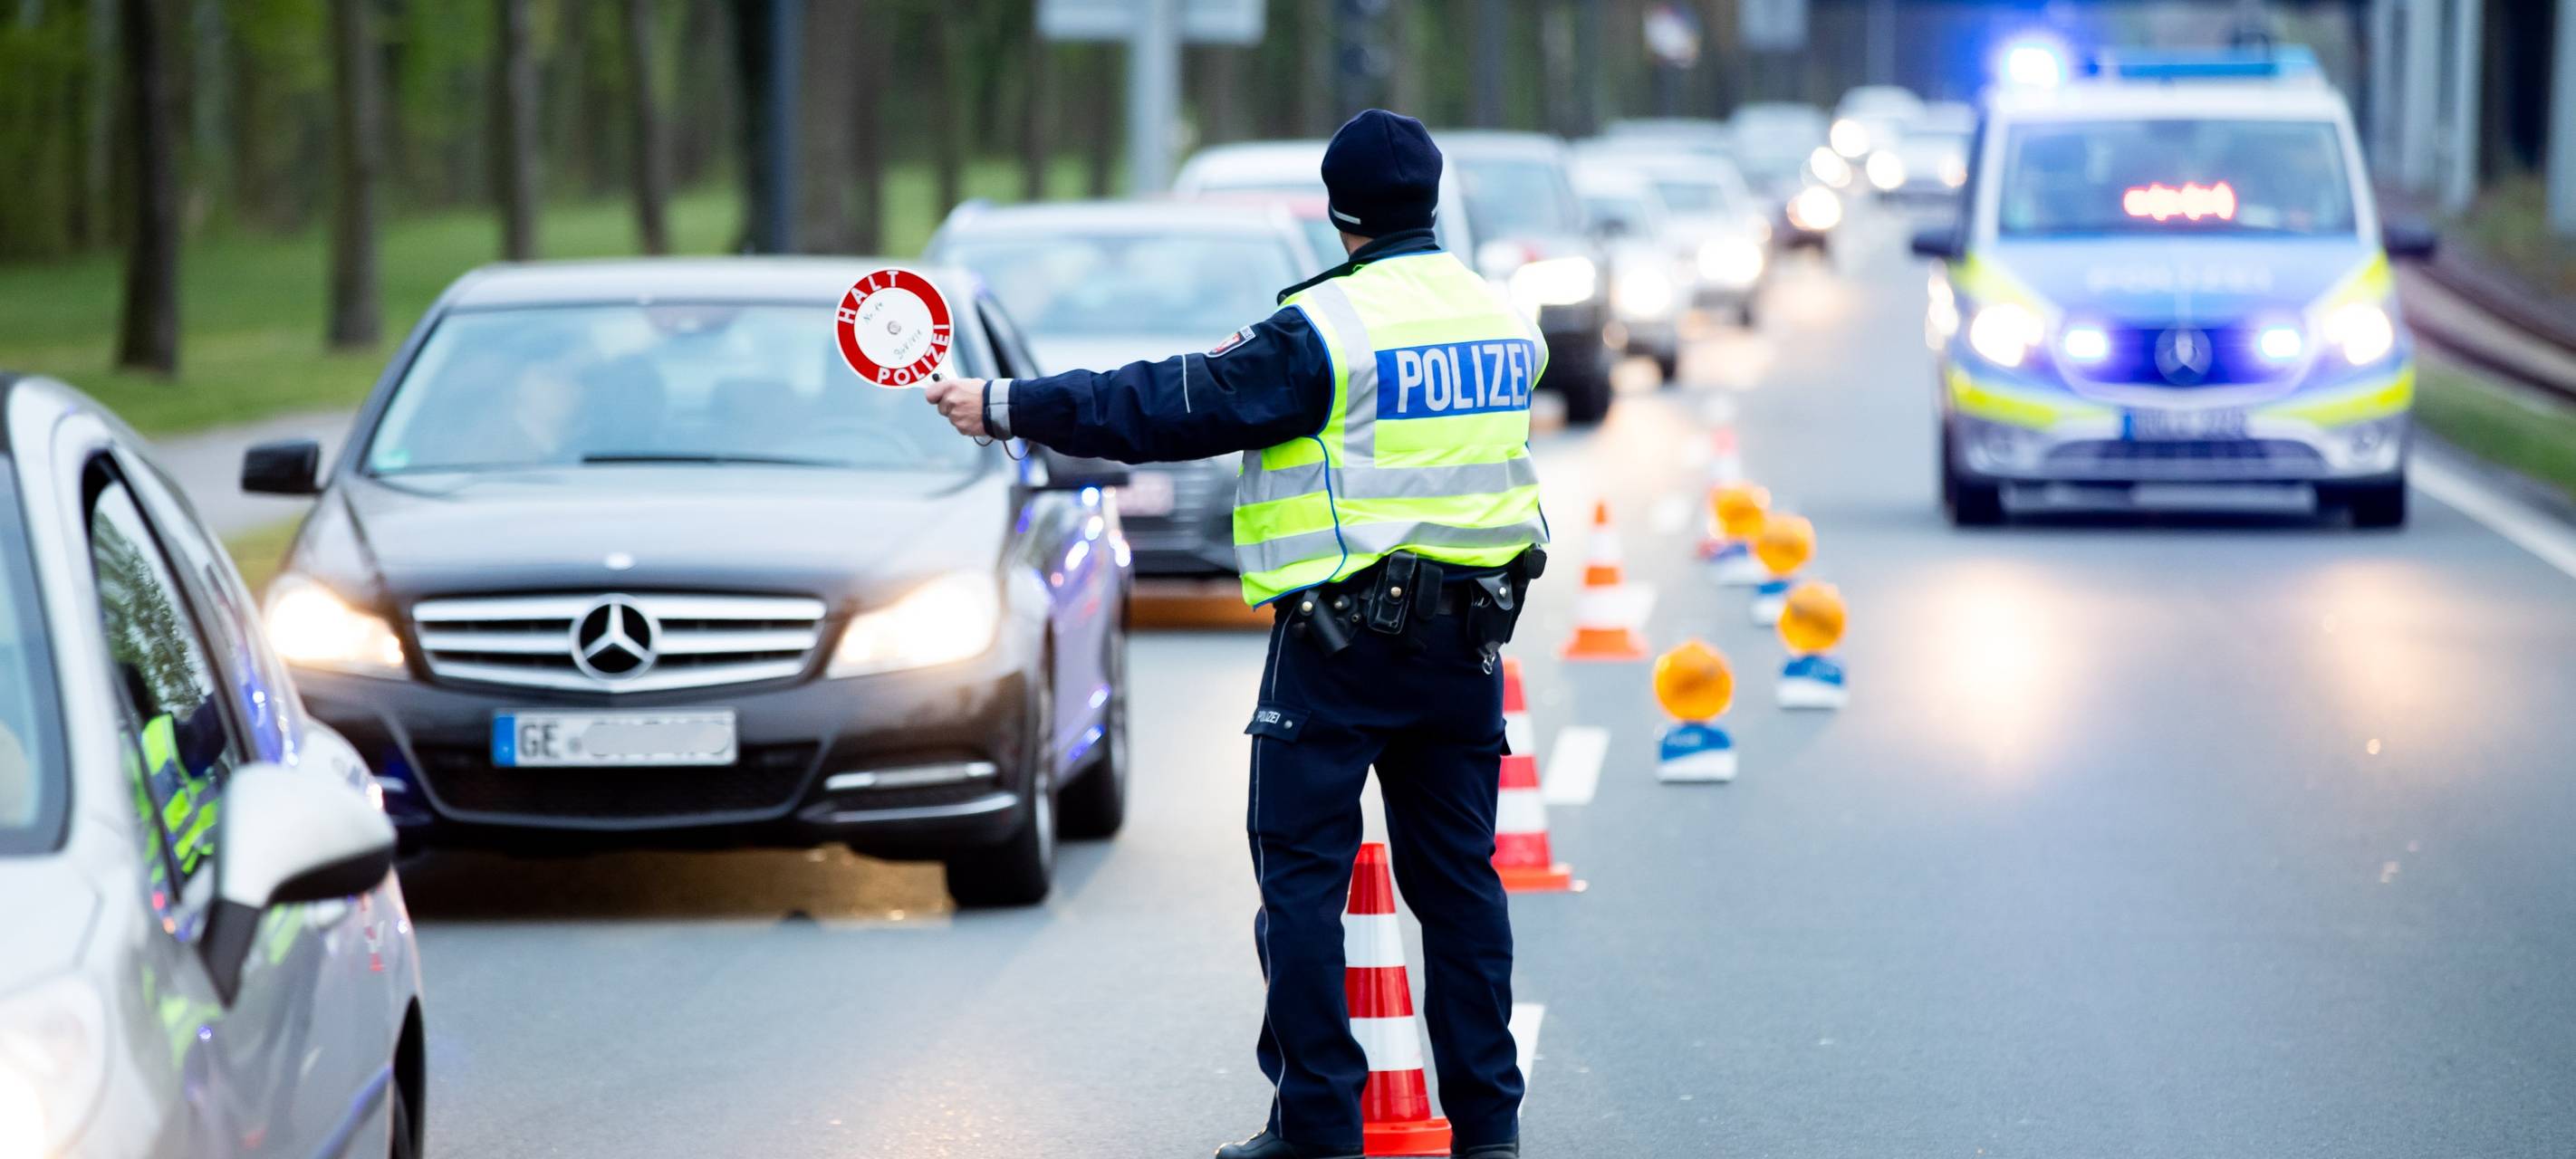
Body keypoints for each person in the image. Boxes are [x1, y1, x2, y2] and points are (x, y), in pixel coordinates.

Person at [925, 109, 1546, 1159]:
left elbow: (1165, 406)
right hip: (1467, 651)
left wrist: (1006, 402)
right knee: (1463, 892)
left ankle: (1318, 1128)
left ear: (1338, 213)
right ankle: (1489, 1131)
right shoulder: (1501, 320)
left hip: (1339, 650)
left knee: (1303, 885)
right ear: (1429, 201)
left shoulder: (1327, 331)